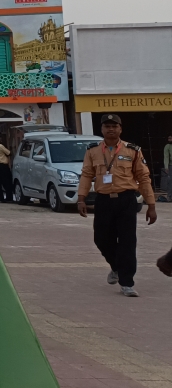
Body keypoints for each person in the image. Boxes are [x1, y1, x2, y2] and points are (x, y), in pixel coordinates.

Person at [77, 114, 156, 296]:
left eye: (114, 126)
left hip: (126, 200)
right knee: (101, 239)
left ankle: (127, 283)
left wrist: (151, 204)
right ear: (102, 129)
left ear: (120, 129)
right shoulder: (93, 151)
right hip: (103, 200)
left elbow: (143, 178)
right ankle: (116, 267)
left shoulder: (133, 150)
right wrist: (81, 198)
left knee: (128, 242)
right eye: (107, 126)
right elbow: (87, 175)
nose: (111, 129)